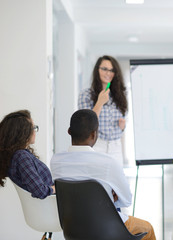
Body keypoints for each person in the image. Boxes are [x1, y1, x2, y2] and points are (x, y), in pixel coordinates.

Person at [50, 109, 155, 240]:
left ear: (69, 132)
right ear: (94, 134)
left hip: (72, 229)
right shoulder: (108, 163)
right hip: (107, 229)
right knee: (148, 229)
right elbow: (126, 200)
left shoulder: (56, 161)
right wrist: (110, 197)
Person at [78, 55, 127, 167]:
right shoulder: (86, 95)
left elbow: (123, 121)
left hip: (116, 146)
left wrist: (122, 127)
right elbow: (86, 125)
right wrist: (100, 102)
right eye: (104, 69)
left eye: (112, 70)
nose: (108, 73)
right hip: (96, 144)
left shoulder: (121, 96)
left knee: (115, 182)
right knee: (97, 182)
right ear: (97, 70)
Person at [0, 110, 55, 199]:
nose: (35, 132)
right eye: (33, 128)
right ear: (22, 132)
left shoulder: (18, 155)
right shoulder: (21, 156)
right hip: (51, 206)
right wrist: (56, 188)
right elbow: (40, 191)